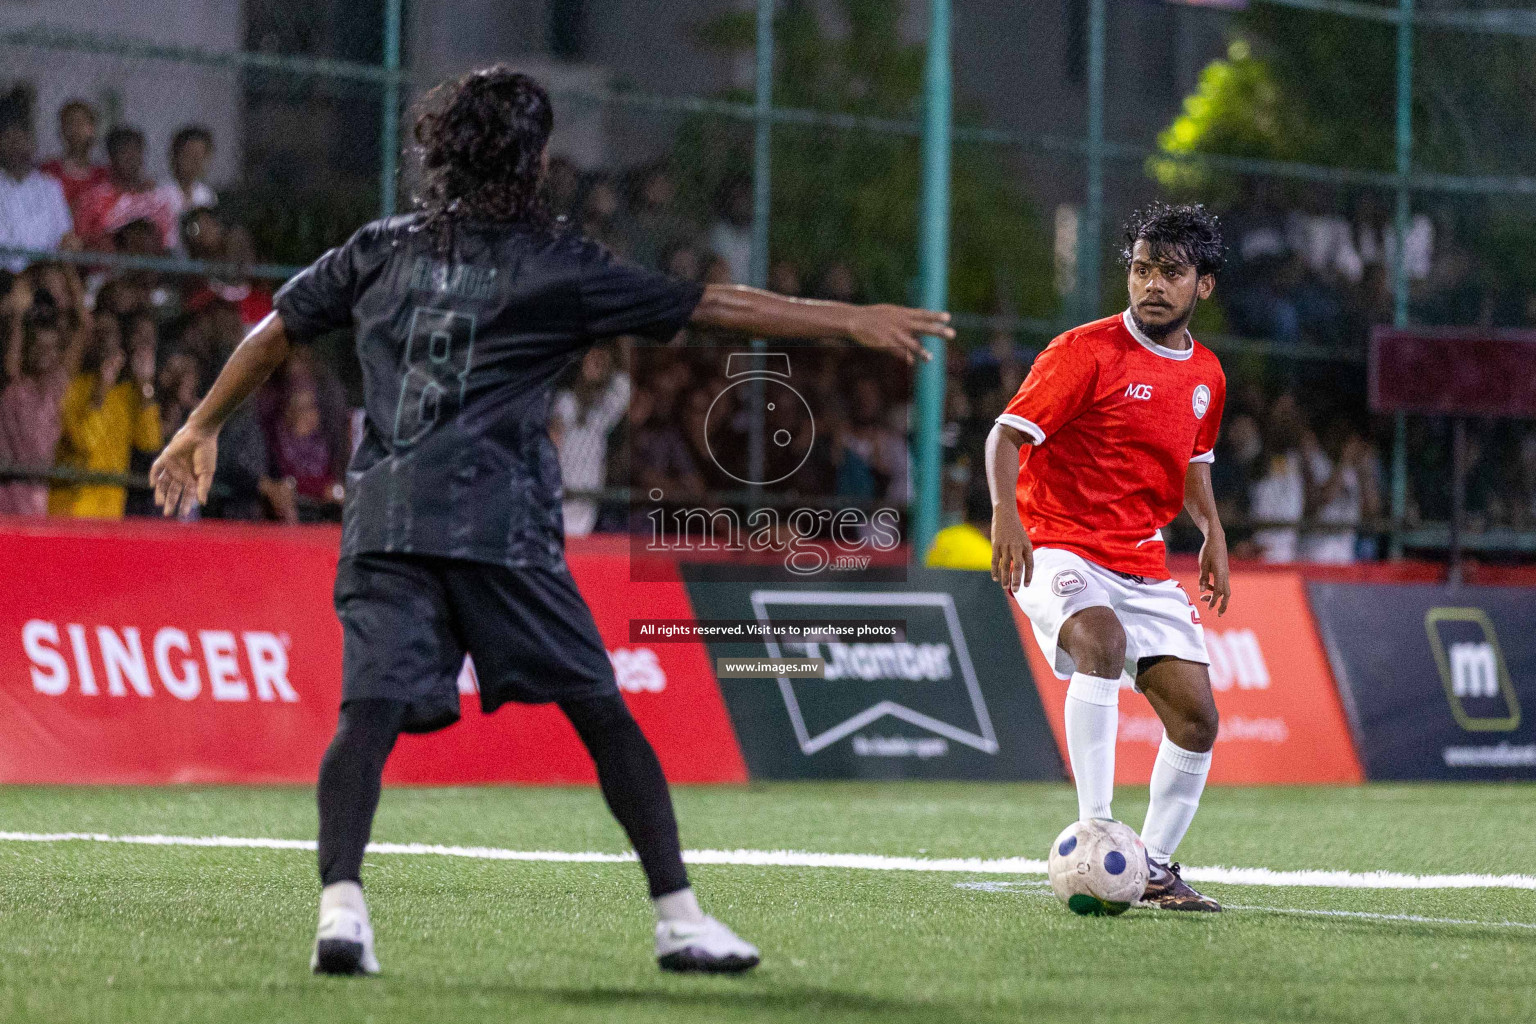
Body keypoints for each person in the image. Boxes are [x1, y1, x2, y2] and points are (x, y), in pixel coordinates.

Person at [149, 66, 951, 977]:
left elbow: (276, 329)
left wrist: (200, 425)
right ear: (531, 161)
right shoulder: (560, 262)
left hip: (385, 517)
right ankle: (680, 920)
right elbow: (707, 308)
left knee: (365, 715)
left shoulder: (379, 247)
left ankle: (341, 910)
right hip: (501, 528)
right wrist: (847, 321)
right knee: (604, 717)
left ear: (440, 152)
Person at [986, 203, 1230, 912]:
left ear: (1202, 287)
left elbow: (1195, 463)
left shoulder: (1208, 375)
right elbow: (1006, 437)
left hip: (1141, 560)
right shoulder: (1082, 351)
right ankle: (1096, 829)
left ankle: (1150, 867)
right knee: (1101, 641)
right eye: (1142, 269)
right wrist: (1007, 514)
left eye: (1172, 273)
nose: (1153, 285)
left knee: (1196, 720)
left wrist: (1212, 529)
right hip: (1057, 542)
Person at [50, 312, 161, 518]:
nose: (107, 343)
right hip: (71, 508)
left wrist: (146, 383)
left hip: (110, 510)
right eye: (100, 335)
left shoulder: (130, 394)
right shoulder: (74, 387)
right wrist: (102, 388)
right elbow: (84, 441)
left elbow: (150, 442)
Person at [0, 86, 75, 274]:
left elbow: (65, 237)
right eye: (8, 138)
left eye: (20, 138)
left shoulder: (50, 187)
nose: (15, 144)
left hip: (43, 274)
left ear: (31, 141)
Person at [74, 126, 178, 252]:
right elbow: (82, 244)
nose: (131, 158)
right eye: (124, 151)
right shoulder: (93, 199)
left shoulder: (159, 200)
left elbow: (168, 244)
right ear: (111, 157)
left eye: (136, 151)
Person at [39, 99, 109, 215]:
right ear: (62, 130)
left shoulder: (105, 176)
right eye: (70, 122)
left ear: (93, 129)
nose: (76, 129)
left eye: (82, 122)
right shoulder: (47, 172)